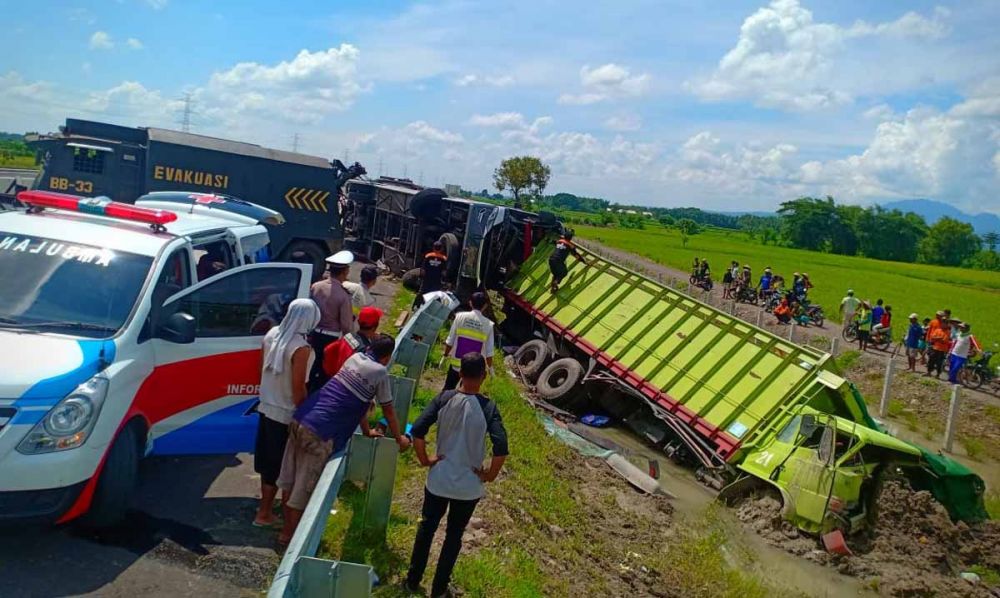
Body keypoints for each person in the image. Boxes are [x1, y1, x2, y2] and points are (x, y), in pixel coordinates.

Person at [277, 335, 410, 546]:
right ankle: (291, 542)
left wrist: (366, 431)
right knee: (303, 491)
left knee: (290, 480)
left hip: (302, 417)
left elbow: (358, 403)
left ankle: (284, 533)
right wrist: (399, 438)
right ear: (387, 357)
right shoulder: (379, 372)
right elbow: (388, 410)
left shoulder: (355, 358)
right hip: (320, 432)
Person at [404, 353, 509, 597]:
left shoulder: (444, 399)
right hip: (468, 487)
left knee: (426, 529)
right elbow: (501, 448)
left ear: (460, 373)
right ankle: (439, 590)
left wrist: (425, 459)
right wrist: (489, 475)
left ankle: (412, 581)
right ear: (484, 377)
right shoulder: (488, 408)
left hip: (438, 480)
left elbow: (417, 431)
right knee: (453, 536)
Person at [253, 298, 320, 528]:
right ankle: (271, 517)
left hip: (266, 407)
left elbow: (261, 369)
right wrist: (305, 414)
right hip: (286, 413)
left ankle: (265, 510)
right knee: (285, 468)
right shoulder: (301, 348)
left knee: (267, 464)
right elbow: (298, 388)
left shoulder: (272, 335)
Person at [309, 250, 355, 390]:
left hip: (313, 334)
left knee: (311, 368)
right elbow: (346, 326)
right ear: (345, 271)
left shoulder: (316, 287)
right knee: (325, 372)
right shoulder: (343, 295)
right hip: (331, 339)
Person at [442, 292, 495, 390]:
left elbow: (450, 341)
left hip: (456, 363)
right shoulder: (489, 325)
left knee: (448, 389)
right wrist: (490, 368)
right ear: (485, 306)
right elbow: (489, 352)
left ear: (470, 303)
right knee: (466, 394)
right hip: (473, 368)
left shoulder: (459, 317)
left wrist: (445, 356)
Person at [323, 305, 383, 377]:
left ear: (358, 322)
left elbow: (328, 349)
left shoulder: (349, 336)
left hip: (335, 376)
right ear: (375, 327)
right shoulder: (365, 349)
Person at [415, 242, 448, 308]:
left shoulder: (428, 256)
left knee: (422, 292)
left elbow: (423, 270)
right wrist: (444, 280)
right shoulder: (444, 258)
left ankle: (416, 306)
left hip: (427, 279)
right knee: (434, 294)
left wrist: (421, 278)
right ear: (441, 249)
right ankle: (430, 307)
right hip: (436, 280)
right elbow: (444, 272)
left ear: (433, 248)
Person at [925, 310, 951, 378]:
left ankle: (938, 374)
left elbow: (944, 340)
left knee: (939, 362)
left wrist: (937, 338)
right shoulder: (938, 330)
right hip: (935, 347)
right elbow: (933, 337)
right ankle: (929, 372)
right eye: (943, 323)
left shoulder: (948, 332)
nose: (943, 324)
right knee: (931, 360)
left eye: (945, 323)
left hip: (942, 349)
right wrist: (938, 338)